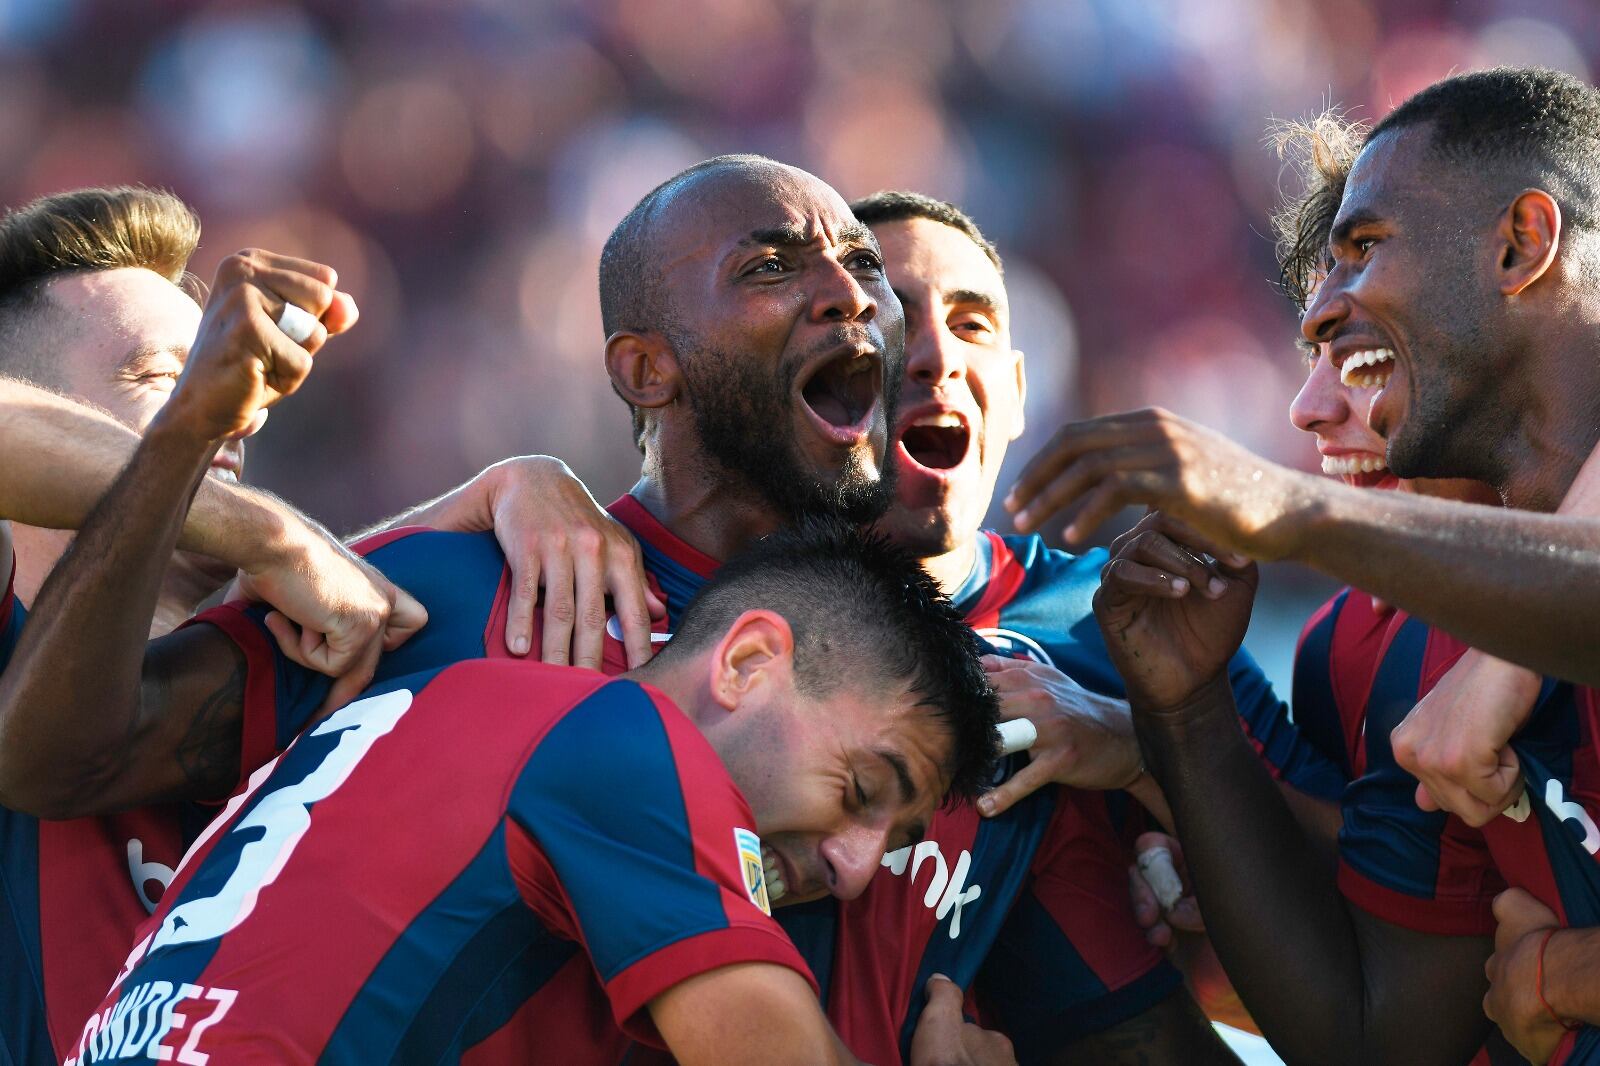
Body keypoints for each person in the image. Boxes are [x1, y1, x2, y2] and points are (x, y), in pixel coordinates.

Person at [25, 263, 998, 1065]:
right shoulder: (623, 747)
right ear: (745, 661)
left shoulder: (442, 692)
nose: (857, 862)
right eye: (861, 786)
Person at [0, 188, 656, 1064]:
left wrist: (512, 480)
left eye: (226, 373)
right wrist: (257, 524)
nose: (235, 408)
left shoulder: (310, 668)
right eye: (163, 377)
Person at [1057, 68, 1600, 1064]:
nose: (1310, 402)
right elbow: (1376, 1040)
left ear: (1522, 245)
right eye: (1317, 328)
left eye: (1362, 254)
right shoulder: (1400, 647)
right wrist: (1177, 722)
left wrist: (1561, 975)